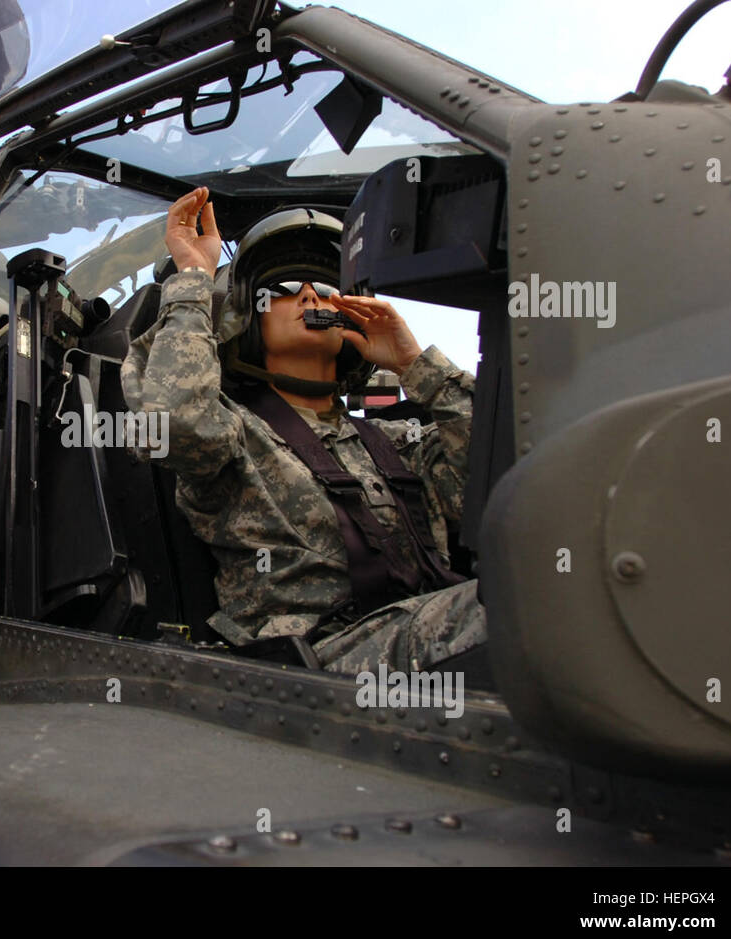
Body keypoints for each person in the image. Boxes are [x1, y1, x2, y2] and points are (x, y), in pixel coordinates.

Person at [121, 187, 485, 675]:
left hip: (425, 641)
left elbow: (501, 476)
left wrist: (416, 365)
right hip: (311, 665)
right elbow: (173, 424)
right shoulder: (237, 435)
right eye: (286, 287)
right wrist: (193, 278)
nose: (312, 295)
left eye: (329, 289)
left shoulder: (396, 445)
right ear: (247, 317)